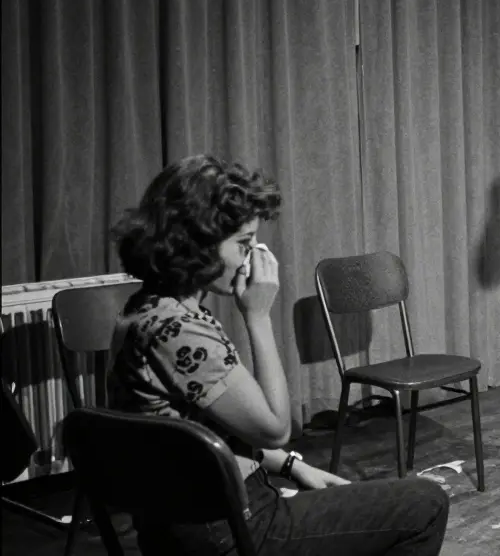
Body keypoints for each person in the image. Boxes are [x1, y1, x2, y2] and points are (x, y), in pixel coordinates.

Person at [106, 155, 450, 555]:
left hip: (186, 524)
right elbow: (273, 428)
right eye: (243, 244)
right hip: (231, 530)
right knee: (425, 504)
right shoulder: (179, 332)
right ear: (195, 243)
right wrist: (257, 316)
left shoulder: (145, 309)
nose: (253, 257)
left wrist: (294, 467)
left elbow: (210, 433)